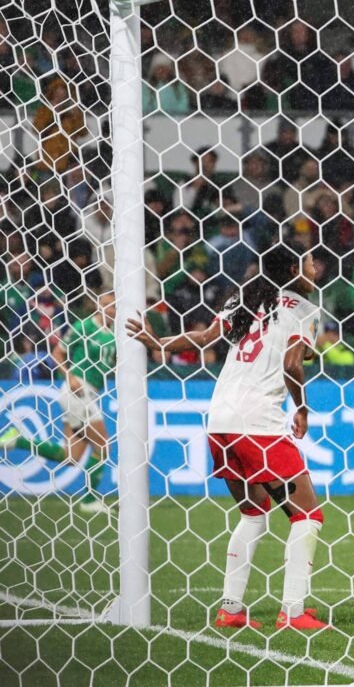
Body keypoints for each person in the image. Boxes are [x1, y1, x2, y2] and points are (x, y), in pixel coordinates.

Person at [125, 245, 329, 631]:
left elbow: (204, 338)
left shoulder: (244, 298)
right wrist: (301, 408)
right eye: (307, 262)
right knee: (307, 515)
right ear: (293, 269)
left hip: (220, 420)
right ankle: (293, 611)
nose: (314, 268)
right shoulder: (303, 309)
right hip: (259, 424)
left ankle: (230, 609)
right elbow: (291, 364)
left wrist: (159, 344)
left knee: (254, 512)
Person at [1, 293, 117, 514]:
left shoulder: (114, 333)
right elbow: (57, 353)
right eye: (105, 305)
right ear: (97, 305)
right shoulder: (84, 327)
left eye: (113, 307)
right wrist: (70, 377)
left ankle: (18, 441)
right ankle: (89, 501)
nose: (109, 310)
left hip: (91, 393)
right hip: (77, 391)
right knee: (102, 446)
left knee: (71, 457)